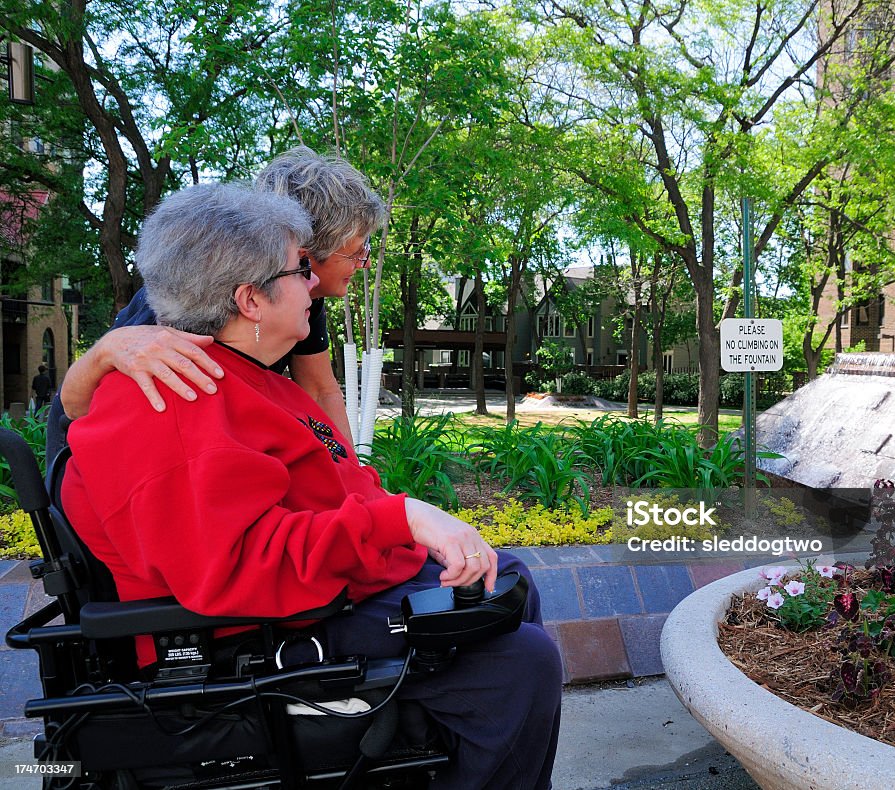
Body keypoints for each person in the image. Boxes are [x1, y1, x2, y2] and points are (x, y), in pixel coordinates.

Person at [60, 183, 561, 790]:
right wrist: (400, 521)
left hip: (319, 592)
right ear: (249, 298)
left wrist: (405, 519)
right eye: (301, 268)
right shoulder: (178, 401)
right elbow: (236, 567)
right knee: (522, 666)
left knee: (507, 580)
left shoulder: (249, 376)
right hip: (254, 631)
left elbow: (332, 481)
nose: (316, 283)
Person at [58, 147, 382, 446]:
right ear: (305, 250)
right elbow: (76, 406)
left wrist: (355, 479)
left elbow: (319, 390)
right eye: (356, 250)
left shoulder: (297, 295)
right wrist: (106, 351)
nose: (364, 262)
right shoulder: (188, 296)